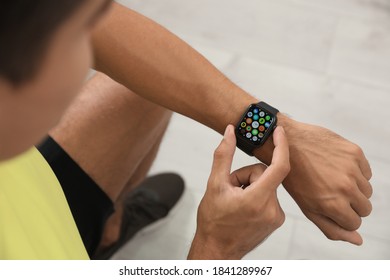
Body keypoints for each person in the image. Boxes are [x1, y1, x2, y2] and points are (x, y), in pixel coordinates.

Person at [0, 0, 372, 259]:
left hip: (28, 198)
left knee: (142, 81)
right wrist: (216, 249)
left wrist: (279, 135)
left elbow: (104, 27)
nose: (90, 49)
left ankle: (103, 235)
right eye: (73, 41)